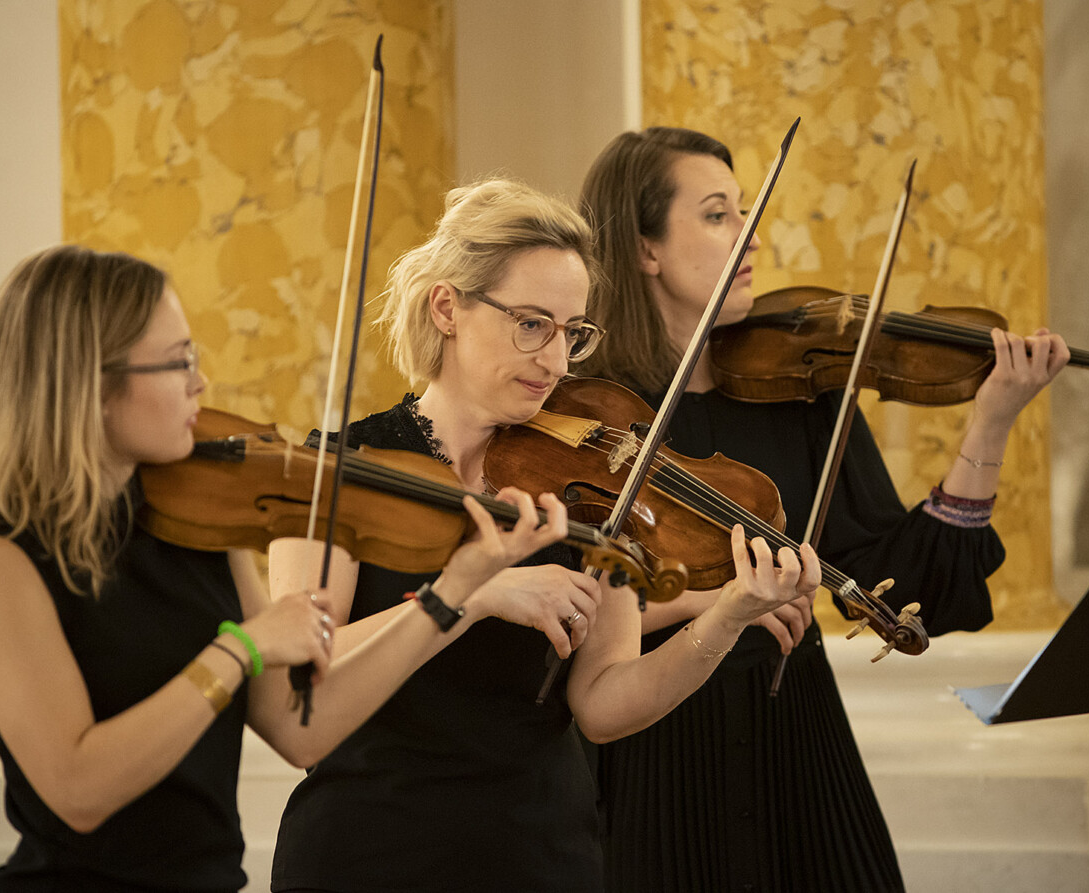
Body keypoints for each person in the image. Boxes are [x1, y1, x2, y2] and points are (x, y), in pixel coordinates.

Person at [0, 244, 568, 892]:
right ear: (91, 385)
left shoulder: (194, 524)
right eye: (177, 361)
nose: (199, 383)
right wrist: (237, 651)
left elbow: (306, 731)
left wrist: (455, 591)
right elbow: (79, 788)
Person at [266, 178, 822, 893]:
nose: (557, 362)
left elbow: (604, 702)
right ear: (448, 308)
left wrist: (726, 613)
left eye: (572, 332)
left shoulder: (584, 482)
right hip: (368, 851)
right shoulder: (341, 468)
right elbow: (301, 674)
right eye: (532, 324)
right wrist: (471, 594)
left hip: (538, 854)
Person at [577, 127, 1070, 892]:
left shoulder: (802, 397)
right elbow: (559, 613)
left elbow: (903, 584)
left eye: (744, 210)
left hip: (795, 743)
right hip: (652, 755)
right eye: (717, 215)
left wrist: (993, 420)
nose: (751, 235)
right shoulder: (588, 418)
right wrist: (719, 605)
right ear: (645, 248)